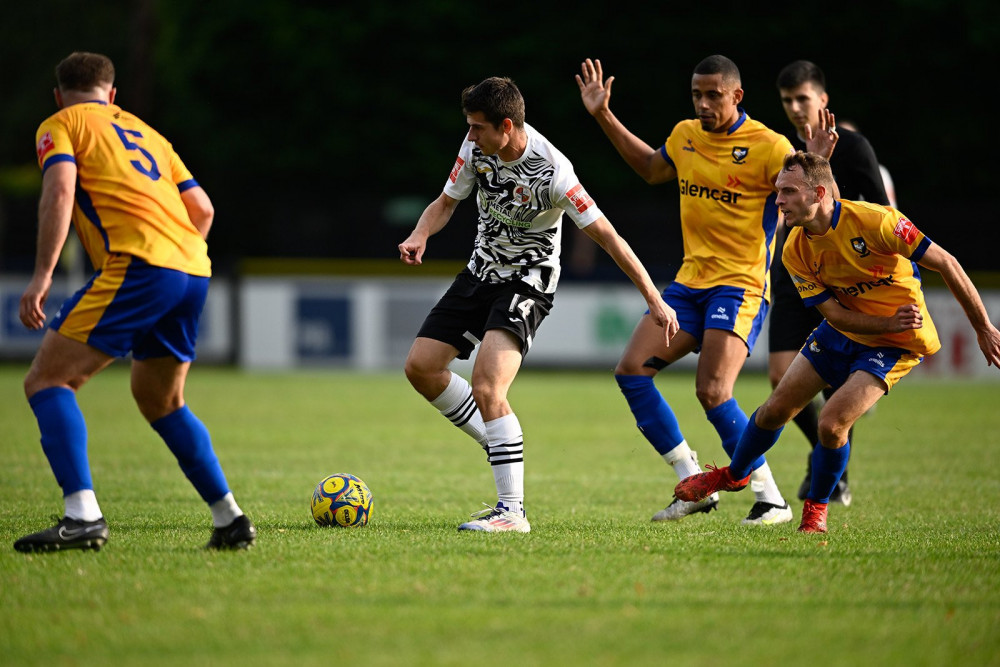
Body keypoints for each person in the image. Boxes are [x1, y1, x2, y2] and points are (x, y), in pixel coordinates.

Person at [398, 76, 678, 533]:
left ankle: (512, 513)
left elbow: (608, 237)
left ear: (505, 126)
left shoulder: (554, 173)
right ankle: (498, 441)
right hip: (480, 272)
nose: (470, 136)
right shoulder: (476, 150)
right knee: (421, 368)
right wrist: (420, 233)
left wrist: (654, 298)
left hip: (528, 282)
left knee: (489, 385)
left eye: (477, 128)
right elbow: (446, 202)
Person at [674, 151, 1000, 532]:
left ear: (820, 193)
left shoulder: (878, 221)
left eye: (788, 192)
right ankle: (735, 474)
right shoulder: (794, 248)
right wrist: (882, 318)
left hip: (897, 342)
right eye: (777, 192)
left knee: (830, 425)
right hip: (844, 330)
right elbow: (836, 315)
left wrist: (983, 327)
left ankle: (816, 508)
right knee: (776, 408)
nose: (777, 201)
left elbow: (946, 263)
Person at [14, 52, 255, 552]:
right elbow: (202, 209)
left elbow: (60, 193)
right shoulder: (149, 134)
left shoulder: (61, 124)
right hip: (192, 267)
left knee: (48, 379)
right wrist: (176, 257)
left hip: (139, 266)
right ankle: (229, 519)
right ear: (112, 95)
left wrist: (42, 277)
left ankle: (82, 516)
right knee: (160, 400)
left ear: (60, 95)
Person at [576, 56, 795, 525]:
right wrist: (603, 115)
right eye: (697, 94)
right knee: (631, 370)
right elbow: (653, 170)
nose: (703, 103)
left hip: (740, 285)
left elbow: (812, 193)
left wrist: (818, 163)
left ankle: (770, 498)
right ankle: (692, 481)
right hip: (689, 282)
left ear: (737, 96)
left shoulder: (769, 146)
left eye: (713, 95)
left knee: (713, 390)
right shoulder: (684, 135)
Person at [771, 60, 892, 505]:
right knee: (779, 376)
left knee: (834, 384)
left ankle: (832, 474)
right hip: (791, 273)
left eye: (803, 98)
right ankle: (823, 455)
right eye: (787, 101)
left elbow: (880, 213)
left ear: (823, 100)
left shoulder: (854, 148)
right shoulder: (784, 150)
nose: (796, 108)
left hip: (839, 278)